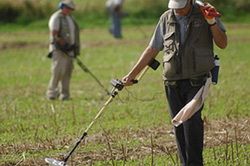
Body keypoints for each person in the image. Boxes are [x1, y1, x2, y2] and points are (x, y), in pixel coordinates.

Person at [122, 0, 227, 165]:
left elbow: (223, 44)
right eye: (174, 7)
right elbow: (152, 49)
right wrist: (131, 75)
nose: (177, 11)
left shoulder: (205, 13)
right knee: (179, 126)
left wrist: (211, 22)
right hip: (172, 83)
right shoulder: (166, 18)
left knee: (191, 124)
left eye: (181, 7)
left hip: (197, 81)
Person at [46, 0, 80, 100]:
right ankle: (52, 93)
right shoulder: (56, 17)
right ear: (62, 7)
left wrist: (73, 47)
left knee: (67, 72)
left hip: (69, 50)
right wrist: (64, 45)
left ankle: (64, 94)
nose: (69, 10)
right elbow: (54, 34)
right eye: (68, 8)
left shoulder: (69, 18)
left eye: (71, 9)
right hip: (59, 50)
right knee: (57, 71)